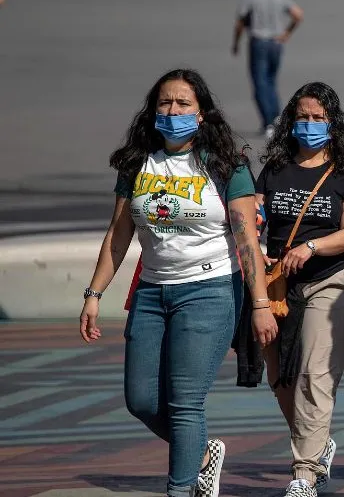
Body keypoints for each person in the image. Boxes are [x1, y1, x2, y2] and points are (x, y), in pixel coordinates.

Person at [79, 69, 275, 497]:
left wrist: (259, 303)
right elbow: (118, 233)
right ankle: (202, 454)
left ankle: (181, 489)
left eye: (183, 103)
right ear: (152, 111)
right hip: (151, 292)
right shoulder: (137, 163)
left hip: (209, 291)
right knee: (142, 400)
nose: (173, 111)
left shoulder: (227, 165)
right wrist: (94, 294)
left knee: (185, 403)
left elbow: (246, 240)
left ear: (201, 113)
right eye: (165, 103)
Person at [256, 82, 344, 497]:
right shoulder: (275, 169)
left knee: (313, 374)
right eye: (302, 117)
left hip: (331, 281)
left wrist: (311, 246)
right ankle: (317, 445)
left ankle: (303, 473)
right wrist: (254, 236)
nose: (309, 124)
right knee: (280, 375)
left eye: (318, 118)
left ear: (332, 125)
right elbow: (256, 217)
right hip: (279, 285)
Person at [232, 0, 305, 139]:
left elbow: (240, 22)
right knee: (271, 81)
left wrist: (236, 43)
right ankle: (277, 118)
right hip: (276, 43)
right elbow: (298, 14)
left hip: (259, 42)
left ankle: (269, 122)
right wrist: (286, 33)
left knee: (260, 83)